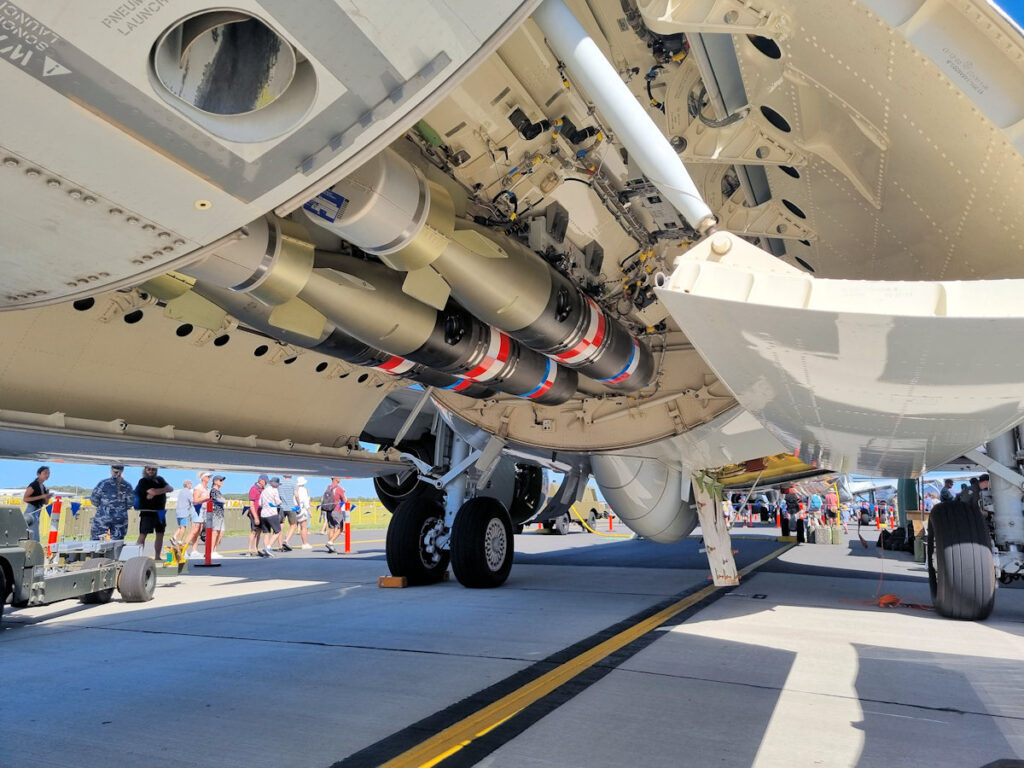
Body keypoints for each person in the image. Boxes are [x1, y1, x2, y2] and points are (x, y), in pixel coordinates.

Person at [135, 465, 174, 561]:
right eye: (149, 469)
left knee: (160, 533)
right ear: (145, 470)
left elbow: (170, 488)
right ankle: (137, 557)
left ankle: (157, 556)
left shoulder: (160, 479)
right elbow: (152, 491)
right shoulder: (143, 481)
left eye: (153, 469)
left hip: (160, 511)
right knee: (143, 534)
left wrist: (158, 491)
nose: (151, 471)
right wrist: (162, 490)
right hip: (148, 511)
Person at [90, 464, 135, 541]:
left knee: (96, 540)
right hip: (120, 517)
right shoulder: (127, 486)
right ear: (122, 471)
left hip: (103, 516)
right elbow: (130, 503)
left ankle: (97, 553)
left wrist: (102, 507)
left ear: (111, 470)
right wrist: (120, 508)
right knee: (117, 542)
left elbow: (94, 499)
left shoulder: (103, 483)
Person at [22, 465, 53, 542]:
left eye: (48, 473)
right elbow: (25, 498)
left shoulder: (43, 487)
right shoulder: (34, 485)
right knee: (32, 534)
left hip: (38, 511)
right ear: (38, 474)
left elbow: (45, 503)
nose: (47, 475)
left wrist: (47, 497)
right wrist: (41, 496)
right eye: (45, 473)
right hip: (31, 510)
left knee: (35, 534)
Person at [185, 472, 212, 559]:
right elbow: (196, 500)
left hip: (203, 510)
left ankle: (194, 550)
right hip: (197, 509)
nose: (209, 478)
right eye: (208, 476)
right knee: (194, 529)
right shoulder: (198, 487)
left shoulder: (207, 488)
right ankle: (183, 549)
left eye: (209, 477)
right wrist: (207, 498)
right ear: (203, 478)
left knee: (199, 530)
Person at [285, 476, 313, 550]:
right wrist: (309, 511)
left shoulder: (293, 488)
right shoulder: (303, 490)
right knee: (303, 526)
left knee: (293, 526)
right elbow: (305, 502)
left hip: (293, 509)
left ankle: (286, 540)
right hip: (301, 509)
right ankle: (304, 543)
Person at [259, 477, 283, 557]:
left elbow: (260, 503)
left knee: (266, 533)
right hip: (272, 513)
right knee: (277, 531)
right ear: (276, 485)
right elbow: (277, 501)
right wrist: (280, 501)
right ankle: (268, 547)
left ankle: (266, 548)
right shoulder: (275, 491)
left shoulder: (264, 491)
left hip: (263, 514)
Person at [324, 477, 348, 553]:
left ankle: (331, 546)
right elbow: (344, 500)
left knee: (331, 528)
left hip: (328, 510)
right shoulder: (339, 488)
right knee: (340, 528)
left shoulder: (328, 487)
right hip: (336, 510)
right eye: (339, 477)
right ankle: (330, 542)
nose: (340, 478)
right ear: (335, 478)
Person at [246, 474, 268, 556]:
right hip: (254, 512)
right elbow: (251, 504)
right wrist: (255, 517)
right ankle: (249, 549)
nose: (266, 483)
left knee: (259, 531)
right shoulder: (253, 489)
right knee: (253, 531)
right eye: (265, 481)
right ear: (261, 480)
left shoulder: (263, 489)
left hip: (261, 513)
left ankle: (256, 548)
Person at [206, 475, 228, 558]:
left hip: (220, 513)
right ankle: (211, 551)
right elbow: (222, 500)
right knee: (215, 532)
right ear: (215, 481)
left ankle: (214, 550)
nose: (222, 482)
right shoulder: (213, 491)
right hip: (215, 513)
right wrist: (223, 500)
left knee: (221, 532)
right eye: (220, 480)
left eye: (222, 480)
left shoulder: (218, 491)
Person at [277, 474, 298, 552]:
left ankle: (280, 546)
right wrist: (298, 504)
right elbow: (296, 495)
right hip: (290, 506)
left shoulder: (280, 483)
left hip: (281, 506)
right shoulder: (293, 483)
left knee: (280, 526)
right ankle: (286, 540)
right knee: (293, 524)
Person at [172, 480, 193, 547]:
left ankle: (174, 537)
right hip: (184, 511)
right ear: (187, 485)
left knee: (180, 526)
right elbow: (192, 501)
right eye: (190, 484)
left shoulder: (181, 492)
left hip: (178, 511)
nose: (191, 485)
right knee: (183, 527)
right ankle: (180, 541)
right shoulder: (188, 492)